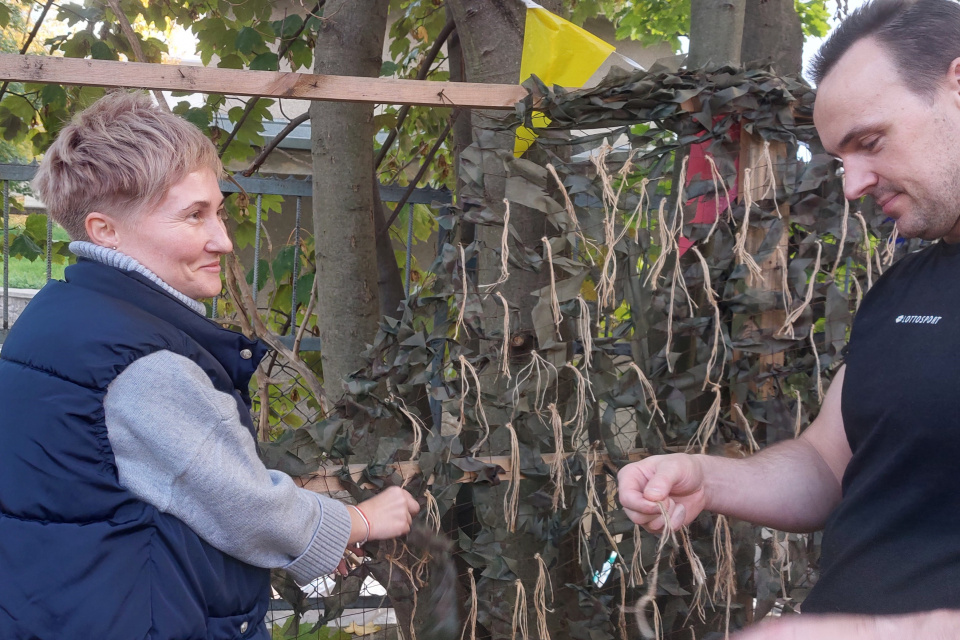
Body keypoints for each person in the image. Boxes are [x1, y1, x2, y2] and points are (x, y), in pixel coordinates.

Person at [0, 91, 420, 640]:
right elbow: (243, 507)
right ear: (105, 230)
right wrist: (357, 522)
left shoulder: (58, 318)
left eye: (217, 211)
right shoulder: (142, 361)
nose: (222, 240)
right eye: (193, 215)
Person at [618, 0, 960, 637]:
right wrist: (707, 479)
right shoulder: (903, 290)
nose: (853, 183)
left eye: (870, 141)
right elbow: (829, 462)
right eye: (839, 157)